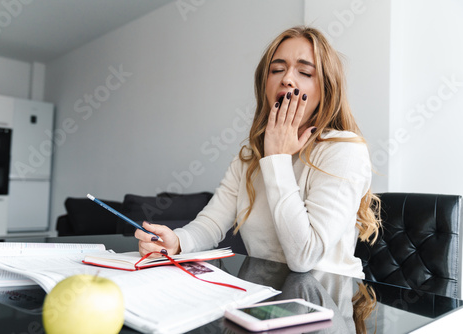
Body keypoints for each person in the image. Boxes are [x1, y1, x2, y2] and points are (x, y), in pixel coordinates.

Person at [135, 26, 381, 279]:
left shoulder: (343, 149)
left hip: (324, 303)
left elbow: (304, 256)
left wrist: (277, 158)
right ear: (265, 85)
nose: (287, 79)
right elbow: (211, 223)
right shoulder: (249, 157)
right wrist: (176, 241)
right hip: (262, 298)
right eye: (277, 70)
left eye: (305, 71)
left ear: (326, 89)